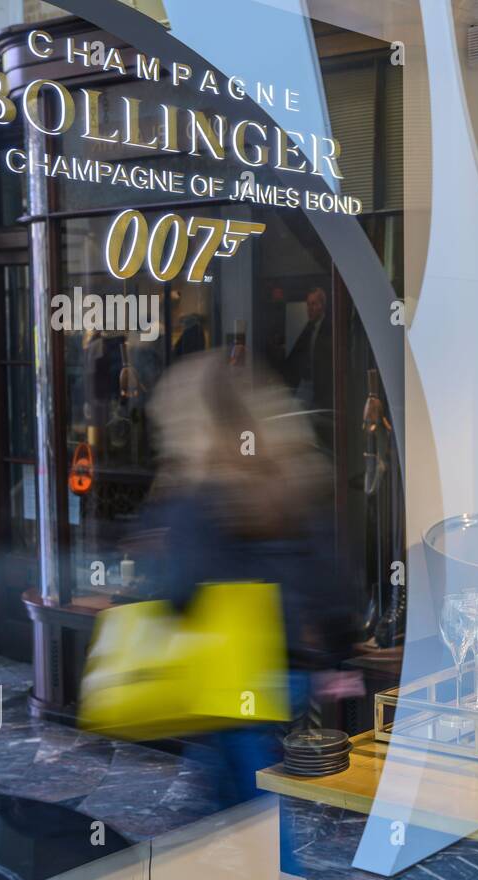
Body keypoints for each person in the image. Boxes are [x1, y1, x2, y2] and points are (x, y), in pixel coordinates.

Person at [141, 351, 345, 807]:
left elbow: (182, 588)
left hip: (227, 673)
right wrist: (337, 649)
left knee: (247, 804)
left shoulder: (199, 489)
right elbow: (329, 577)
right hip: (285, 667)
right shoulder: (288, 473)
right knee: (243, 792)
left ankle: (268, 874)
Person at [282, 285, 333, 412]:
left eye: (313, 304)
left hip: (325, 393)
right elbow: (296, 357)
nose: (309, 309)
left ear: (322, 305)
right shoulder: (309, 328)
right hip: (311, 389)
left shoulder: (330, 329)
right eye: (308, 305)